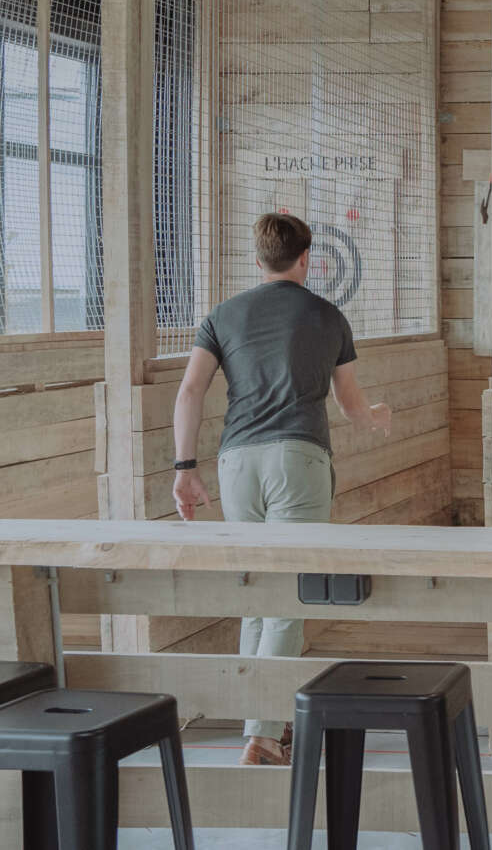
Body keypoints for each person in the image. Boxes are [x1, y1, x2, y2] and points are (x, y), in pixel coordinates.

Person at [169, 212, 392, 767]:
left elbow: (190, 390)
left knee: (256, 596)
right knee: (289, 599)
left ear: (258, 259)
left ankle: (258, 727)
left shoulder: (222, 315)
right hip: (298, 458)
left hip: (236, 463)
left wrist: (184, 467)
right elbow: (349, 403)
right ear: (306, 259)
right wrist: (375, 416)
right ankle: (265, 737)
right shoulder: (328, 315)